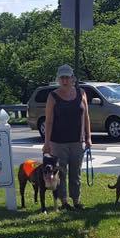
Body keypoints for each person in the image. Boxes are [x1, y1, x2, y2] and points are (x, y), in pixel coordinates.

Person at [42, 65, 92, 210]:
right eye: (62, 78)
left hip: (77, 140)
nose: (65, 81)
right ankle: (64, 201)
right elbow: (49, 120)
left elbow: (86, 116)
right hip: (58, 142)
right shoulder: (53, 96)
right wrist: (47, 143)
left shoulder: (81, 93)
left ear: (72, 79)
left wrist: (88, 137)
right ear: (58, 79)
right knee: (61, 173)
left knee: (76, 173)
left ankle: (76, 200)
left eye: (67, 78)